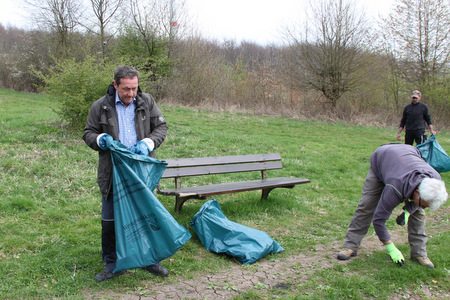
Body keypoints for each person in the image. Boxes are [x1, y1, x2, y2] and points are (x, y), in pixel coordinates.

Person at [83, 65, 169, 282]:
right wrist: (100, 140)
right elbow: (88, 133)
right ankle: (113, 265)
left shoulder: (146, 102)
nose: (131, 93)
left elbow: (161, 128)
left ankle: (150, 259)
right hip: (113, 173)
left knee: (146, 216)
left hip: (141, 170)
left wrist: (148, 143)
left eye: (134, 88)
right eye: (126, 89)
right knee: (110, 221)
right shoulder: (100, 106)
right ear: (115, 85)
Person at [337, 143, 447, 268]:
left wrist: (408, 211)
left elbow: (420, 204)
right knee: (367, 206)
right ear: (417, 193)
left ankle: (419, 253)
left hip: (407, 156)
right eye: (424, 204)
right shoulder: (395, 188)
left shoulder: (435, 180)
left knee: (419, 214)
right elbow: (379, 220)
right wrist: (391, 248)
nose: (424, 207)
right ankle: (350, 246)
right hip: (383, 158)